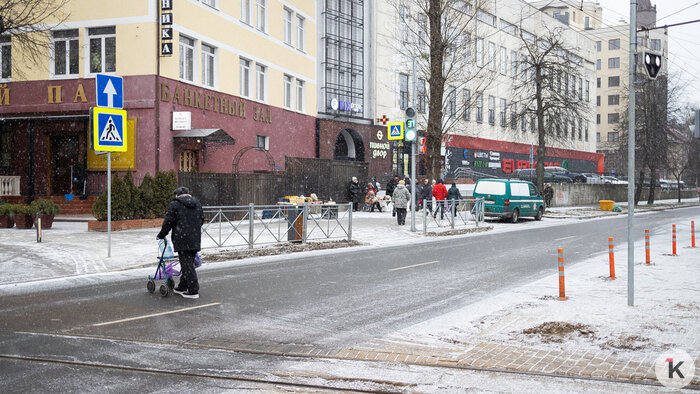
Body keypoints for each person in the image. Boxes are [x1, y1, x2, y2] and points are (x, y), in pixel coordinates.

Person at [157, 186, 204, 299]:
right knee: (188, 264)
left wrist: (162, 234)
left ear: (177, 195)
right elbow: (201, 219)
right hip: (195, 238)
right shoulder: (197, 203)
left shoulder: (175, 204)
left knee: (187, 265)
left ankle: (193, 291)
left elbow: (168, 221)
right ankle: (182, 286)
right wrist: (193, 229)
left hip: (182, 239)